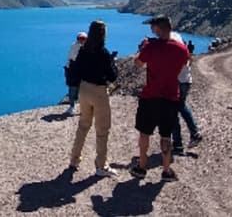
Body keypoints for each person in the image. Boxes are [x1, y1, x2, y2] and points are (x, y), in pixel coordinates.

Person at [130, 15, 189, 182]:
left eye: (152, 27)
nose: (151, 30)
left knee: (145, 133)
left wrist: (142, 49)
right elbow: (183, 66)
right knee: (166, 135)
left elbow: (138, 64)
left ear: (157, 29)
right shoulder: (181, 49)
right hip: (170, 97)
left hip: (150, 97)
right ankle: (166, 170)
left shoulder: (150, 47)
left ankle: (141, 167)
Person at [68, 20, 119, 177]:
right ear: (103, 34)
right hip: (98, 92)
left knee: (83, 125)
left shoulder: (83, 50)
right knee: (102, 129)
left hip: (84, 90)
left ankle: (74, 160)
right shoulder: (103, 53)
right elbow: (112, 76)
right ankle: (101, 166)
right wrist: (112, 63)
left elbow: (76, 69)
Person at [171, 44, 202, 155]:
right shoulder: (186, 54)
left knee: (173, 111)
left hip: (178, 82)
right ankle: (194, 133)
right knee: (181, 106)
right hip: (186, 81)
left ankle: (178, 144)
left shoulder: (176, 54)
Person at [62, 31, 88, 116]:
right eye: (80, 38)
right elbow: (74, 58)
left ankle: (82, 108)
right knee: (73, 89)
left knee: (82, 90)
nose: (81, 40)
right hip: (72, 70)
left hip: (80, 71)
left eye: (83, 39)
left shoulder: (86, 48)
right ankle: (71, 107)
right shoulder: (74, 46)